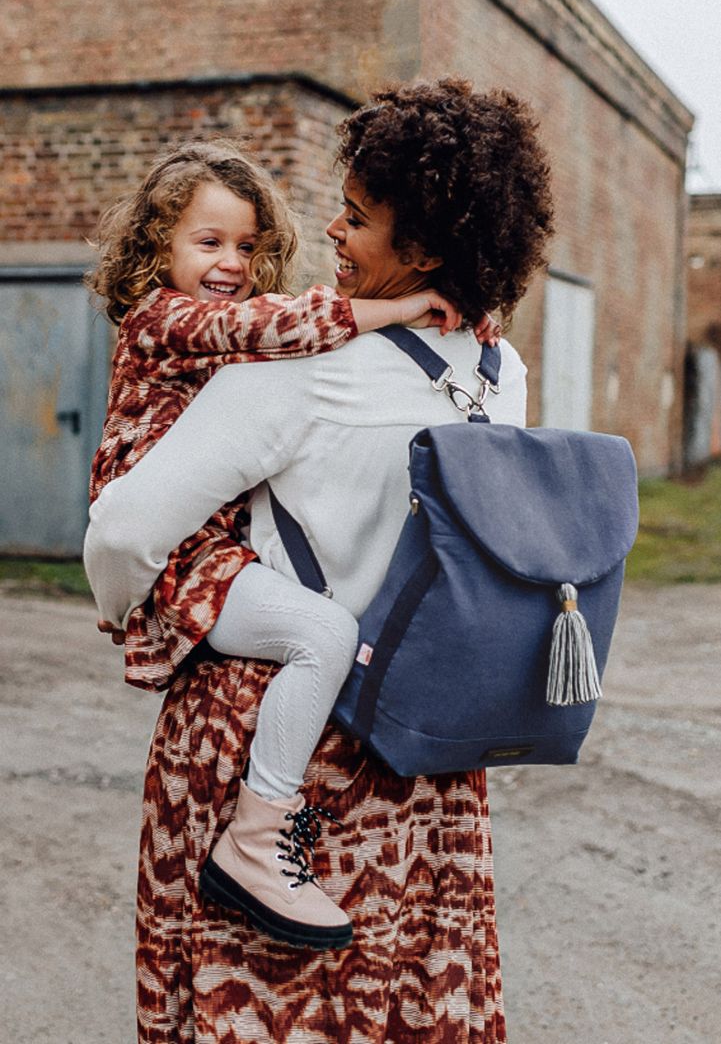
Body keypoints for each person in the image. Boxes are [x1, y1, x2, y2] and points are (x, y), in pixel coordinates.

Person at [85, 79, 554, 1042]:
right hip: (415, 746)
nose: (331, 234)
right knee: (398, 996)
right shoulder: (499, 375)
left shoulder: (296, 374)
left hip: (257, 735)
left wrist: (133, 609)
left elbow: (122, 531)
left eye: (355, 217)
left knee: (249, 1002)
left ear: (420, 251)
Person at [87, 138, 473, 950]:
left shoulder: (242, 335)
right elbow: (278, 323)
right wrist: (407, 306)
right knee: (322, 633)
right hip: (186, 552)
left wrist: (465, 319)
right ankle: (256, 841)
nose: (231, 262)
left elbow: (285, 327)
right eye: (208, 242)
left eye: (249, 246)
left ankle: (259, 836)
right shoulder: (164, 316)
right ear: (155, 247)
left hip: (214, 545)